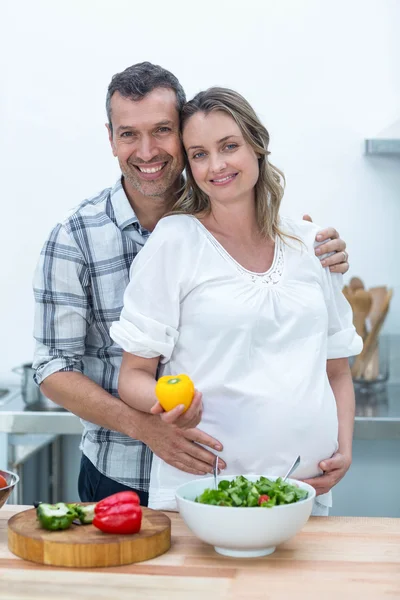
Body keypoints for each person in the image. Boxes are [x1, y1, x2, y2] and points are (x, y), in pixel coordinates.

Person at [33, 62, 351, 506]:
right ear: (111, 139)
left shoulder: (253, 218)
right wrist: (146, 427)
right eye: (128, 134)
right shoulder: (76, 238)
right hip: (121, 467)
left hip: (237, 476)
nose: (146, 151)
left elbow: (305, 351)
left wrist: (317, 253)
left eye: (162, 130)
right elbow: (52, 368)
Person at [110, 86, 362, 516]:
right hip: (203, 494)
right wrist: (169, 407)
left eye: (229, 146)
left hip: (303, 492)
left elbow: (336, 370)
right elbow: (133, 375)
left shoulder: (311, 244)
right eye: (199, 154)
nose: (217, 165)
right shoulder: (175, 242)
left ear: (257, 147)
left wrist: (344, 448)